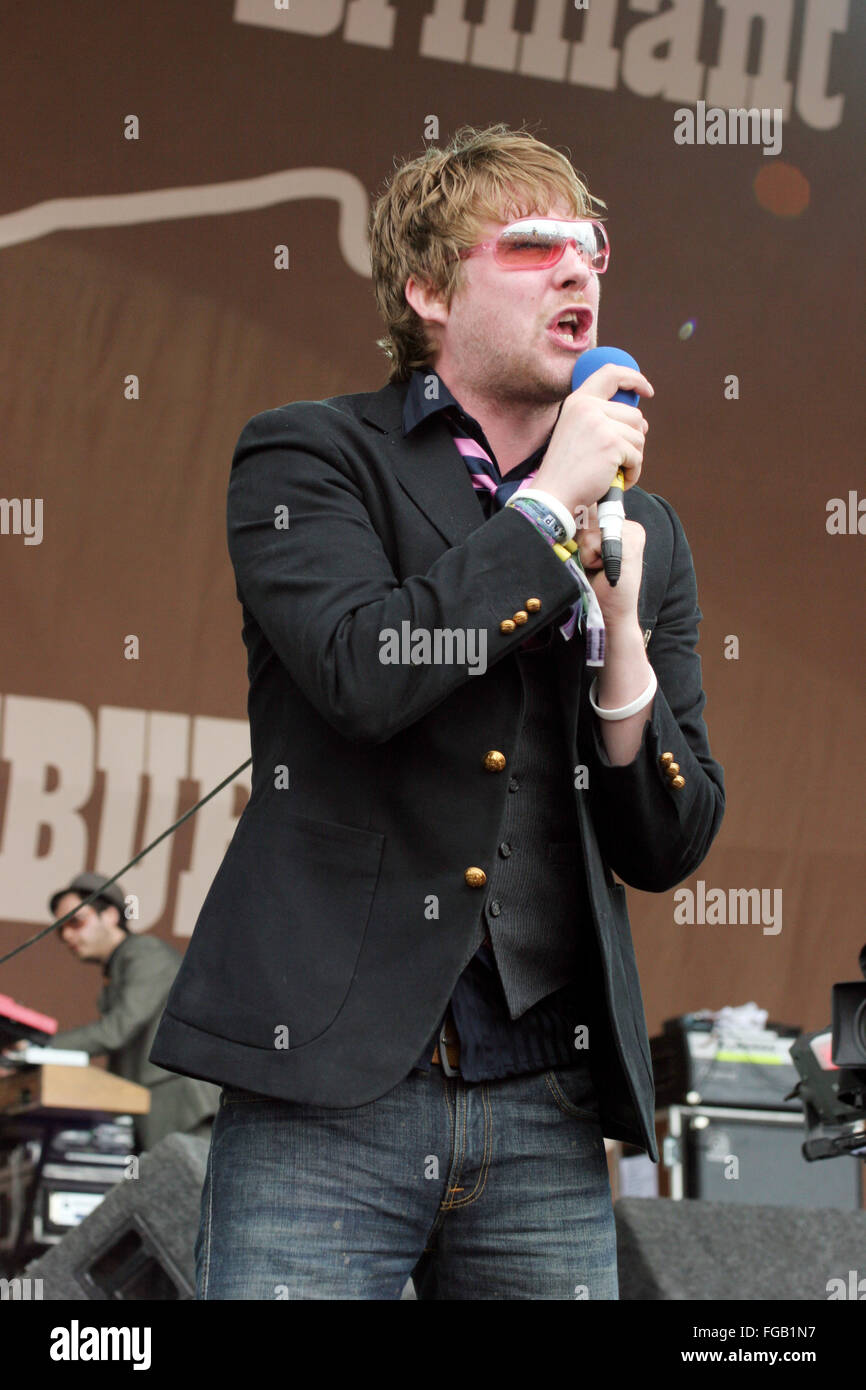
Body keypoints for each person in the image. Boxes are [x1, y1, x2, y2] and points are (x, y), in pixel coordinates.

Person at [150, 123, 725, 1300]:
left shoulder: (646, 531)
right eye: (529, 245)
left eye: (589, 246)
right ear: (424, 291)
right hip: (327, 1090)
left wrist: (620, 630)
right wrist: (541, 515)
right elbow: (366, 673)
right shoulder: (312, 457)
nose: (577, 268)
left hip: (546, 1100)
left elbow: (667, 841)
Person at [35, 872, 219, 1151]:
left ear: (110, 915)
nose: (67, 934)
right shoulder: (121, 965)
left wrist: (38, 1048)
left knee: (186, 1190)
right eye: (61, 929)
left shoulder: (146, 953)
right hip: (154, 1107)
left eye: (76, 921)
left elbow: (115, 1031)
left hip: (181, 1107)